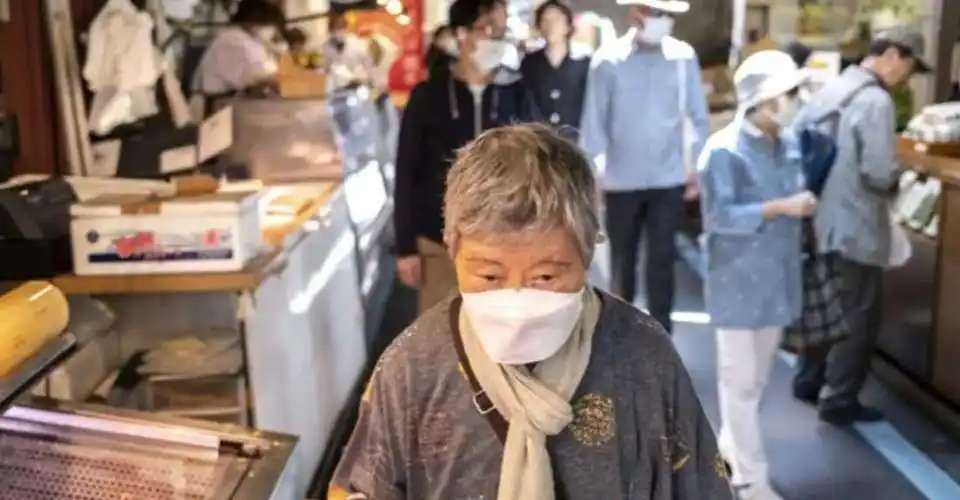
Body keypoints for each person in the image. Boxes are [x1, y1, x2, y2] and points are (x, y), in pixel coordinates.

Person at [330, 124, 734, 500]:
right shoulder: (412, 366)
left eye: (545, 276)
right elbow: (364, 483)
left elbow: (699, 484)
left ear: (587, 253)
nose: (517, 300)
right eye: (489, 276)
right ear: (453, 249)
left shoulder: (642, 354)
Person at [791, 27, 931, 426]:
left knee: (823, 304)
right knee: (857, 315)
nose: (907, 77)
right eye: (910, 66)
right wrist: (904, 171)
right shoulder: (875, 100)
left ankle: (808, 381)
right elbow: (877, 172)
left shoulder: (835, 88)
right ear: (893, 55)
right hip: (856, 224)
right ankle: (838, 400)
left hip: (819, 218)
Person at [699, 50, 815, 500]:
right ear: (763, 100)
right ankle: (752, 480)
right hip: (736, 282)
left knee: (756, 383)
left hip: (778, 279)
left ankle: (730, 449)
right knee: (739, 384)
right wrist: (782, 207)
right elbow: (720, 216)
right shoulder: (723, 151)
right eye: (789, 93)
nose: (794, 102)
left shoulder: (787, 143)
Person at [393, 0, 536, 313]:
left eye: (501, 31)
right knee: (441, 332)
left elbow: (535, 168)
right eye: (487, 29)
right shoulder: (428, 96)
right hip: (438, 242)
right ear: (461, 34)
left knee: (498, 332)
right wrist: (405, 246)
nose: (496, 39)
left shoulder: (516, 93)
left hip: (504, 244)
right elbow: (406, 172)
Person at [580, 0, 709, 332]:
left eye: (668, 15)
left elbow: (697, 116)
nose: (664, 20)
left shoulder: (683, 57)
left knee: (662, 261)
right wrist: (592, 175)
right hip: (620, 180)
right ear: (636, 13)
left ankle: (662, 336)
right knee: (622, 264)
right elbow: (594, 123)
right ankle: (620, 337)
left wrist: (696, 167)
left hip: (668, 178)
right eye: (657, 13)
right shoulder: (607, 61)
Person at [520, 0, 590, 138]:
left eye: (557, 20)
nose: (551, 25)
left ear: (568, 25)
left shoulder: (583, 63)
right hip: (540, 138)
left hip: (575, 138)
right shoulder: (529, 63)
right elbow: (527, 102)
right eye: (545, 20)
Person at [192, 0, 285, 96]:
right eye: (274, 33)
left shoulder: (245, 39)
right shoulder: (233, 40)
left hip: (225, 100)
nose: (272, 35)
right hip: (212, 102)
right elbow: (259, 76)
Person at [322, 10, 375, 91]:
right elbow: (326, 68)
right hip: (336, 88)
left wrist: (370, 81)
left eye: (341, 27)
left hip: (357, 85)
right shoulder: (326, 47)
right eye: (336, 27)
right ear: (330, 29)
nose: (338, 30)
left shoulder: (358, 43)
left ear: (346, 27)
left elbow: (369, 65)